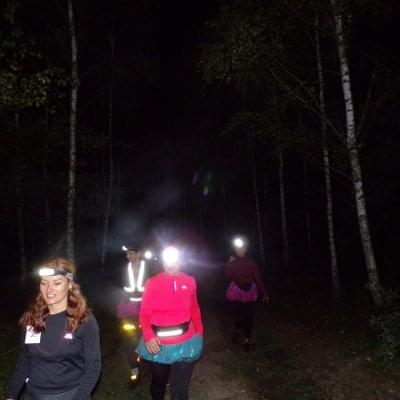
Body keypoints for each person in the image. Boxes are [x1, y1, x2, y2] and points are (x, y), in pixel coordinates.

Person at [6, 257, 101, 400]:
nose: (49, 289)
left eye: (57, 283)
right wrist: (11, 396)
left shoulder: (83, 320)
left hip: (71, 394)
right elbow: (24, 360)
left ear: (69, 285)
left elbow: (93, 367)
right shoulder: (32, 319)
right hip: (33, 394)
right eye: (44, 283)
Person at [136, 245, 203, 400]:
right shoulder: (152, 282)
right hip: (159, 344)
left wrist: (199, 333)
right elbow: (144, 313)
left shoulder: (190, 281)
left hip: (186, 342)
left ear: (181, 261)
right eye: (167, 260)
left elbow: (195, 308)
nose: (170, 264)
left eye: (174, 260)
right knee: (159, 381)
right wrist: (148, 336)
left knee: (180, 387)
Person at [225, 237, 268, 352]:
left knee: (249, 316)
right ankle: (236, 330)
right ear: (235, 250)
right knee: (241, 315)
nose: (240, 251)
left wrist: (264, 293)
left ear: (246, 249)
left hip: (250, 291)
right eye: (238, 249)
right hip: (237, 292)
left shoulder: (251, 263)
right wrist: (229, 264)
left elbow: (258, 278)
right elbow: (227, 277)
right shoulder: (232, 262)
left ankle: (246, 341)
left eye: (242, 248)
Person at [117, 248, 150, 382]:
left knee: (149, 339)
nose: (128, 256)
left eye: (131, 253)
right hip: (128, 312)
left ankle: (157, 370)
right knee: (129, 342)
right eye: (127, 253)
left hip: (147, 311)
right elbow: (118, 289)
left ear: (139, 253)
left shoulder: (149, 268)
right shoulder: (123, 270)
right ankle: (135, 374)